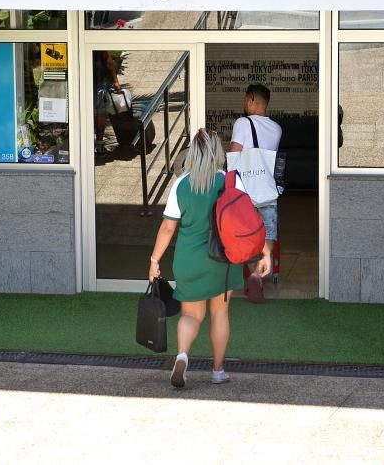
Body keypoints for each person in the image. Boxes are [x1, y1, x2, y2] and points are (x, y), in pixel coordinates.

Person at [149, 129, 271, 388]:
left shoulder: (181, 184)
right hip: (223, 261)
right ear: (218, 153)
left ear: (191, 154)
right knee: (219, 314)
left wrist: (154, 260)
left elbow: (168, 228)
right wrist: (264, 251)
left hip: (188, 261)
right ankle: (217, 371)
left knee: (191, 315)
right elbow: (248, 221)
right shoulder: (229, 181)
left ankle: (182, 356)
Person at [230, 84, 282, 302]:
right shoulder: (277, 128)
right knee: (268, 232)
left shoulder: (242, 123)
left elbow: (235, 154)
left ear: (251, 99)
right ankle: (261, 268)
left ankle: (252, 274)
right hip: (268, 190)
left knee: (248, 236)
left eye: (245, 99)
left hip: (246, 193)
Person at [93, 51, 121, 156]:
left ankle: (98, 144)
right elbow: (109, 62)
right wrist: (115, 80)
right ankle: (99, 145)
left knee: (99, 114)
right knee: (100, 114)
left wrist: (115, 80)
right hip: (97, 84)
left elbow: (109, 62)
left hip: (95, 84)